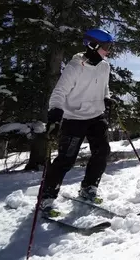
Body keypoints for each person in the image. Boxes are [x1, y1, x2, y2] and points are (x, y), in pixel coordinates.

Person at [40, 28, 116, 216]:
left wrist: (107, 98)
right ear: (92, 45)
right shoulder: (75, 67)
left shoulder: (104, 66)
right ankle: (47, 197)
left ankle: (88, 188)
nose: (109, 51)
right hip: (74, 118)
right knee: (66, 159)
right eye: (106, 47)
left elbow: (104, 88)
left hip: (96, 116)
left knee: (102, 151)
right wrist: (56, 112)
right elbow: (59, 93)